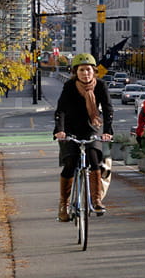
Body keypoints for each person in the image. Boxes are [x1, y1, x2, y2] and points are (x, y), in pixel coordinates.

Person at [53, 53, 114, 221]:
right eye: (81, 70)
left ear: (94, 71)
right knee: (70, 163)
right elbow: (61, 110)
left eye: (88, 70)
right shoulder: (70, 86)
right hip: (70, 129)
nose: (85, 73)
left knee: (94, 160)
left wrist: (108, 131)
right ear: (75, 72)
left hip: (91, 128)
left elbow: (108, 110)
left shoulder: (101, 86)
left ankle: (96, 199)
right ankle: (64, 204)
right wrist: (60, 130)